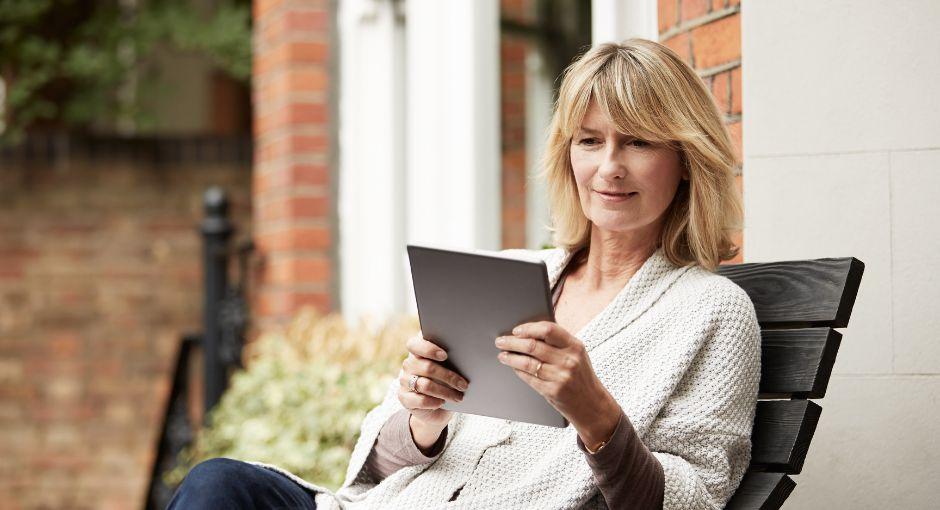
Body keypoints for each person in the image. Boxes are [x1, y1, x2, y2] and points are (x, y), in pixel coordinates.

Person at [167, 38, 760, 510]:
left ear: (685, 160)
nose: (609, 168)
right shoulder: (511, 275)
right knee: (218, 485)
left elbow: (696, 499)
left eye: (639, 143)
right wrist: (422, 416)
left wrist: (596, 414)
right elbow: (374, 467)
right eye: (590, 141)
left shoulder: (710, 312)